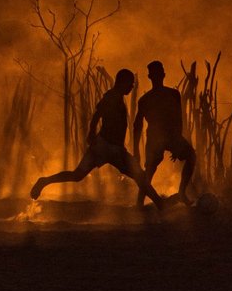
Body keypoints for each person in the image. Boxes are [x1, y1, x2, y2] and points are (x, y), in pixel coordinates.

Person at [30, 68, 162, 207]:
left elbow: (97, 115)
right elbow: (97, 114)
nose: (132, 87)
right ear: (122, 82)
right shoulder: (111, 97)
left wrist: (93, 133)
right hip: (108, 147)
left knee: (78, 175)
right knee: (139, 175)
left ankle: (44, 181)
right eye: (130, 83)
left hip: (107, 147)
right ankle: (160, 204)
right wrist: (91, 132)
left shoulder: (115, 97)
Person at [134, 59, 196, 206]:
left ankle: (181, 192)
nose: (156, 77)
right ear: (150, 77)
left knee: (191, 156)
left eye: (159, 73)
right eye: (154, 74)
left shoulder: (173, 94)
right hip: (155, 138)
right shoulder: (145, 100)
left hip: (171, 136)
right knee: (150, 168)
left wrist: (178, 140)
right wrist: (136, 149)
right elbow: (137, 125)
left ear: (163, 75)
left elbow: (179, 118)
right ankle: (140, 202)